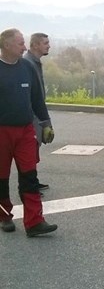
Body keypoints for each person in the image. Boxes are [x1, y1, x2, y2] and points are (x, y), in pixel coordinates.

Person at [0, 28, 57, 237]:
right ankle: (5, 215)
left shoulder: (27, 67)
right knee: (1, 178)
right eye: (20, 43)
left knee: (30, 176)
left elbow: (36, 99)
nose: (24, 47)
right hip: (1, 132)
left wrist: (46, 123)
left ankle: (34, 222)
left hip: (25, 130)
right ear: (6, 46)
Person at [23, 32, 51, 192]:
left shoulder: (34, 62)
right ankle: (30, 186)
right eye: (45, 43)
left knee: (34, 149)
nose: (48, 45)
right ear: (35, 45)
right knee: (30, 150)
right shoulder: (28, 63)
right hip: (31, 115)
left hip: (36, 113)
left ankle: (33, 181)